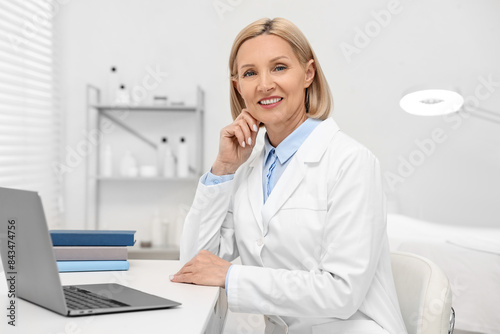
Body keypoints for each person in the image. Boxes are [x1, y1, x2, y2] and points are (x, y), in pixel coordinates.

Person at [170, 17, 407, 334]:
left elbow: (341, 292)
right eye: (250, 73)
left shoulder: (351, 162)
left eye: (279, 67)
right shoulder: (247, 169)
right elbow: (194, 264)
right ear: (238, 86)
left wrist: (231, 276)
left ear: (308, 74)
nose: (264, 84)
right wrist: (223, 169)